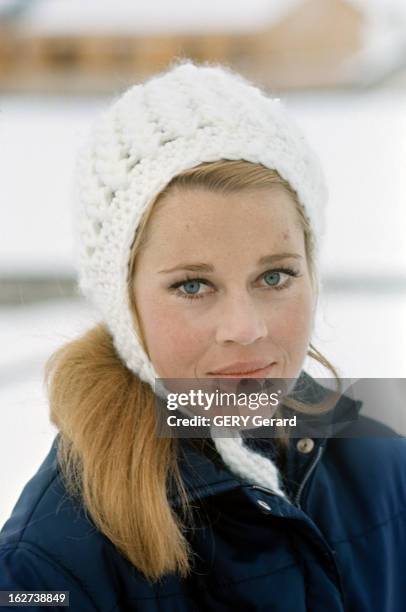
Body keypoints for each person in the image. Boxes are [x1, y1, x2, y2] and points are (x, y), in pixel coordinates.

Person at [0, 60, 405, 611]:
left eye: (275, 276)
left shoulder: (381, 460)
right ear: (125, 303)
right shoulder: (48, 563)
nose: (245, 328)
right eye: (193, 285)